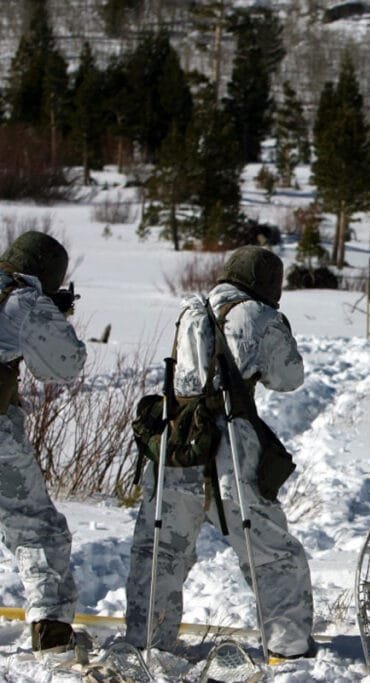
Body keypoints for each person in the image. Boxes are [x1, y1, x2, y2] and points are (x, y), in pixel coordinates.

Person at [125, 246, 314, 663]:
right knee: (271, 553)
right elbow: (289, 377)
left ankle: (147, 638)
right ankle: (288, 645)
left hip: (176, 445)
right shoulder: (260, 317)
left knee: (161, 549)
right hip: (230, 447)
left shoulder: (191, 309)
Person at [0, 231, 86, 657]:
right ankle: (51, 627)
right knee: (35, 526)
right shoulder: (24, 300)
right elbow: (64, 366)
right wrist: (54, 314)